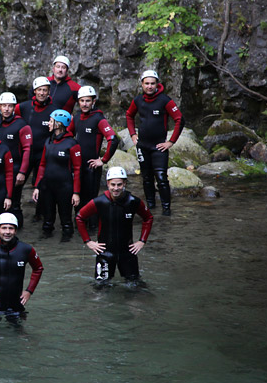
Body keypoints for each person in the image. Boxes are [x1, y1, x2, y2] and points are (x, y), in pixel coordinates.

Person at [76, 167, 153, 285]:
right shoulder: (99, 201)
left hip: (127, 252)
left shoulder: (133, 201)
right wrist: (88, 242)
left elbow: (148, 218)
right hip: (105, 253)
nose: (116, 188)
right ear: (107, 184)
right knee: (100, 288)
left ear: (125, 183)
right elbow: (80, 217)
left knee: (135, 287)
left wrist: (142, 241)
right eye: (113, 184)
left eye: (119, 184)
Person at [125, 70, 184, 216]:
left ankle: (166, 209)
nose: (150, 86)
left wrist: (170, 142)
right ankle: (150, 207)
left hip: (159, 147)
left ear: (157, 84)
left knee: (161, 178)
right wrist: (133, 134)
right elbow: (129, 115)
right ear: (142, 84)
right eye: (147, 83)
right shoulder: (138, 100)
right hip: (142, 146)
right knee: (146, 177)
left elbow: (179, 119)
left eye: (152, 83)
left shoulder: (164, 100)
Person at [67, 85, 119, 227]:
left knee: (91, 200)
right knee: (77, 198)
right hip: (77, 167)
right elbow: (67, 136)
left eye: (87, 101)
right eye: (82, 101)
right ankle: (80, 230)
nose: (84, 104)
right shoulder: (76, 118)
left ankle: (93, 230)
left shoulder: (98, 118)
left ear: (93, 102)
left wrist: (103, 160)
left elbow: (113, 139)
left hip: (91, 167)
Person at [32, 109, 82, 240]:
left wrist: (76, 193)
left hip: (64, 188)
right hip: (47, 187)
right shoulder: (49, 141)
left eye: (51, 121)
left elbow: (77, 169)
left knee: (66, 220)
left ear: (59, 124)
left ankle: (66, 244)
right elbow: (42, 165)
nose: (48, 123)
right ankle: (46, 243)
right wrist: (37, 186)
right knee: (47, 220)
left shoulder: (72, 144)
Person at [17, 76, 56, 222]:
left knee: (41, 184)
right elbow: (11, 120)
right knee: (19, 181)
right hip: (26, 153)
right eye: (39, 90)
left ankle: (39, 213)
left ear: (48, 92)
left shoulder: (54, 109)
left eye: (45, 90)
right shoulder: (24, 107)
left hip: (43, 153)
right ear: (34, 91)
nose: (42, 93)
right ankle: (16, 208)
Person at [0, 92, 32, 229]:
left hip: (15, 168)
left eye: (10, 106)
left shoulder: (21, 124)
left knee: (14, 202)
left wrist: (22, 172)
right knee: (0, 200)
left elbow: (27, 149)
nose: (6, 109)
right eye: (4, 106)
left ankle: (17, 230)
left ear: (14, 108)